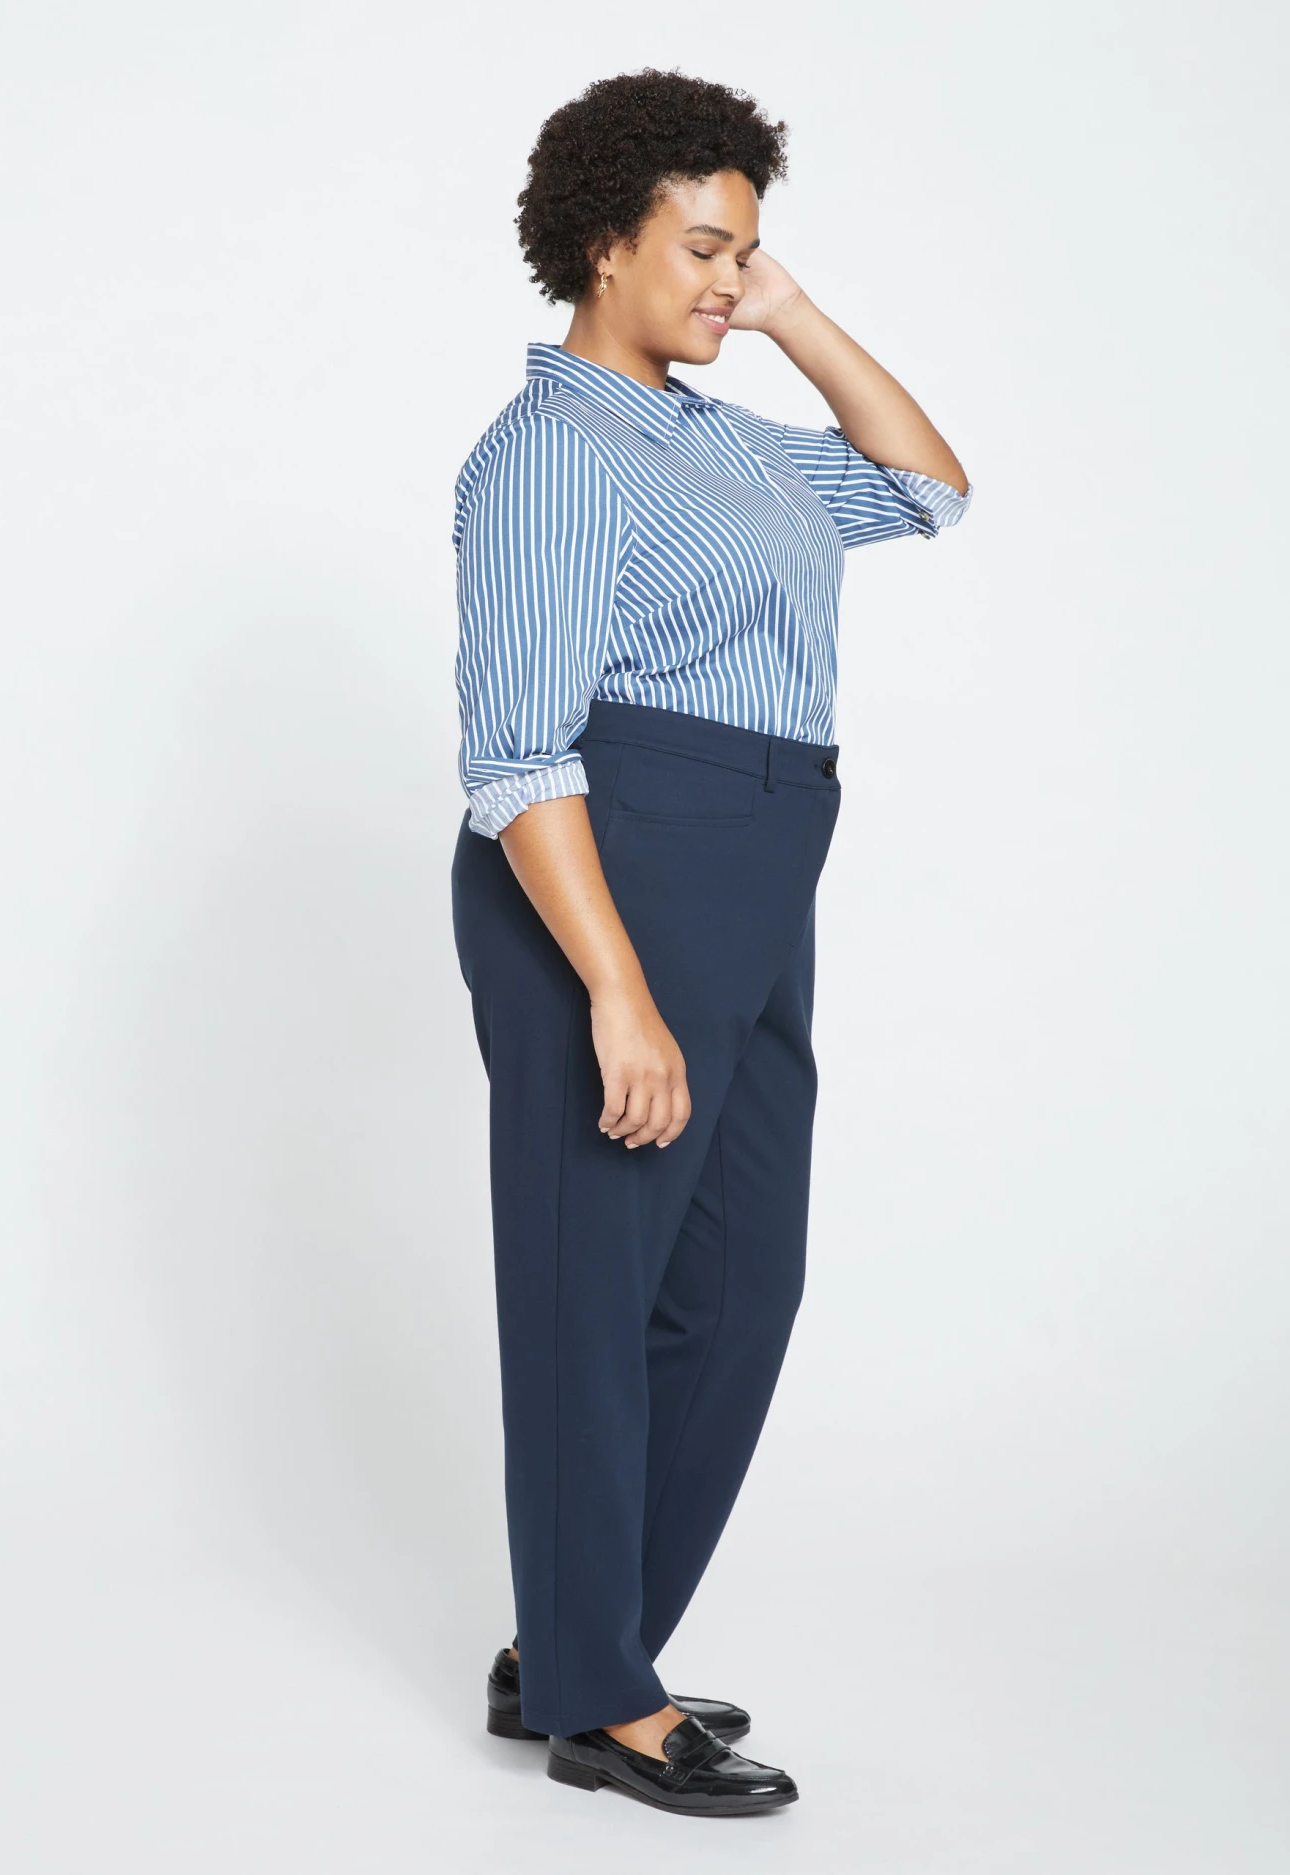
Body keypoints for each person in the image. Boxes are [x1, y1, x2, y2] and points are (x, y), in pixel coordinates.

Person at [448, 68, 973, 1818]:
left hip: (755, 868)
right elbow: (519, 752)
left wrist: (795, 314)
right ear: (602, 245)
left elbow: (928, 489)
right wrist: (614, 986)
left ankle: (572, 1638)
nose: (727, 279)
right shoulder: (550, 456)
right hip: (617, 865)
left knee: (741, 1286)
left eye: (746, 247)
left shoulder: (727, 440)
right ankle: (599, 1693)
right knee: (594, 1295)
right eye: (700, 247)